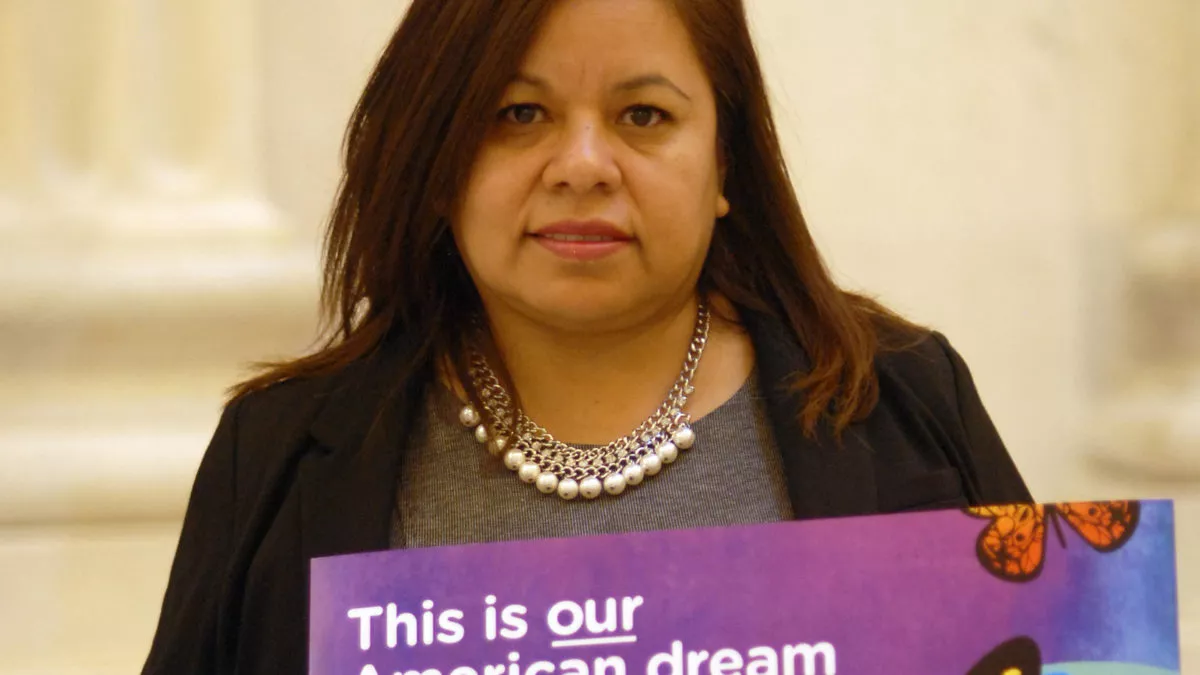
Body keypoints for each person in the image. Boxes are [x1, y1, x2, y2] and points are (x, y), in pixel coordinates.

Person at [142, 0, 1030, 672]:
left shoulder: (903, 402)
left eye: (643, 116)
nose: (581, 166)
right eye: (517, 115)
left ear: (726, 161)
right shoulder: (276, 456)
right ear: (436, 163)